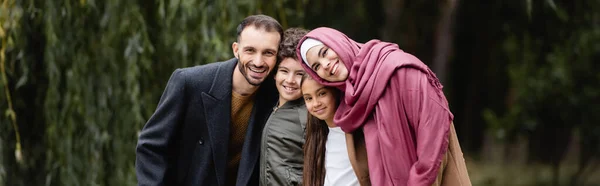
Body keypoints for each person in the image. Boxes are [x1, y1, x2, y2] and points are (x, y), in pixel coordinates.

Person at [296, 27, 471, 186]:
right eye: (316, 66)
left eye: (325, 52)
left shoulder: (398, 68)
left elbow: (434, 137)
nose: (325, 64)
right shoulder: (351, 103)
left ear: (339, 43)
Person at [135, 15, 282, 186]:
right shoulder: (190, 82)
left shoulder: (277, 96)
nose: (258, 61)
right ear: (236, 50)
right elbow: (151, 147)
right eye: (250, 50)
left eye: (268, 53)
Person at [259, 27, 309, 186]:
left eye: (299, 74)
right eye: (284, 71)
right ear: (275, 73)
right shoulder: (268, 105)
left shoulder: (309, 115)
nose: (290, 80)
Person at [301, 75, 371, 186]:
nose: (316, 103)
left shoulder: (358, 133)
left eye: (322, 94)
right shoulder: (318, 139)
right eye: (308, 98)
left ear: (336, 92)